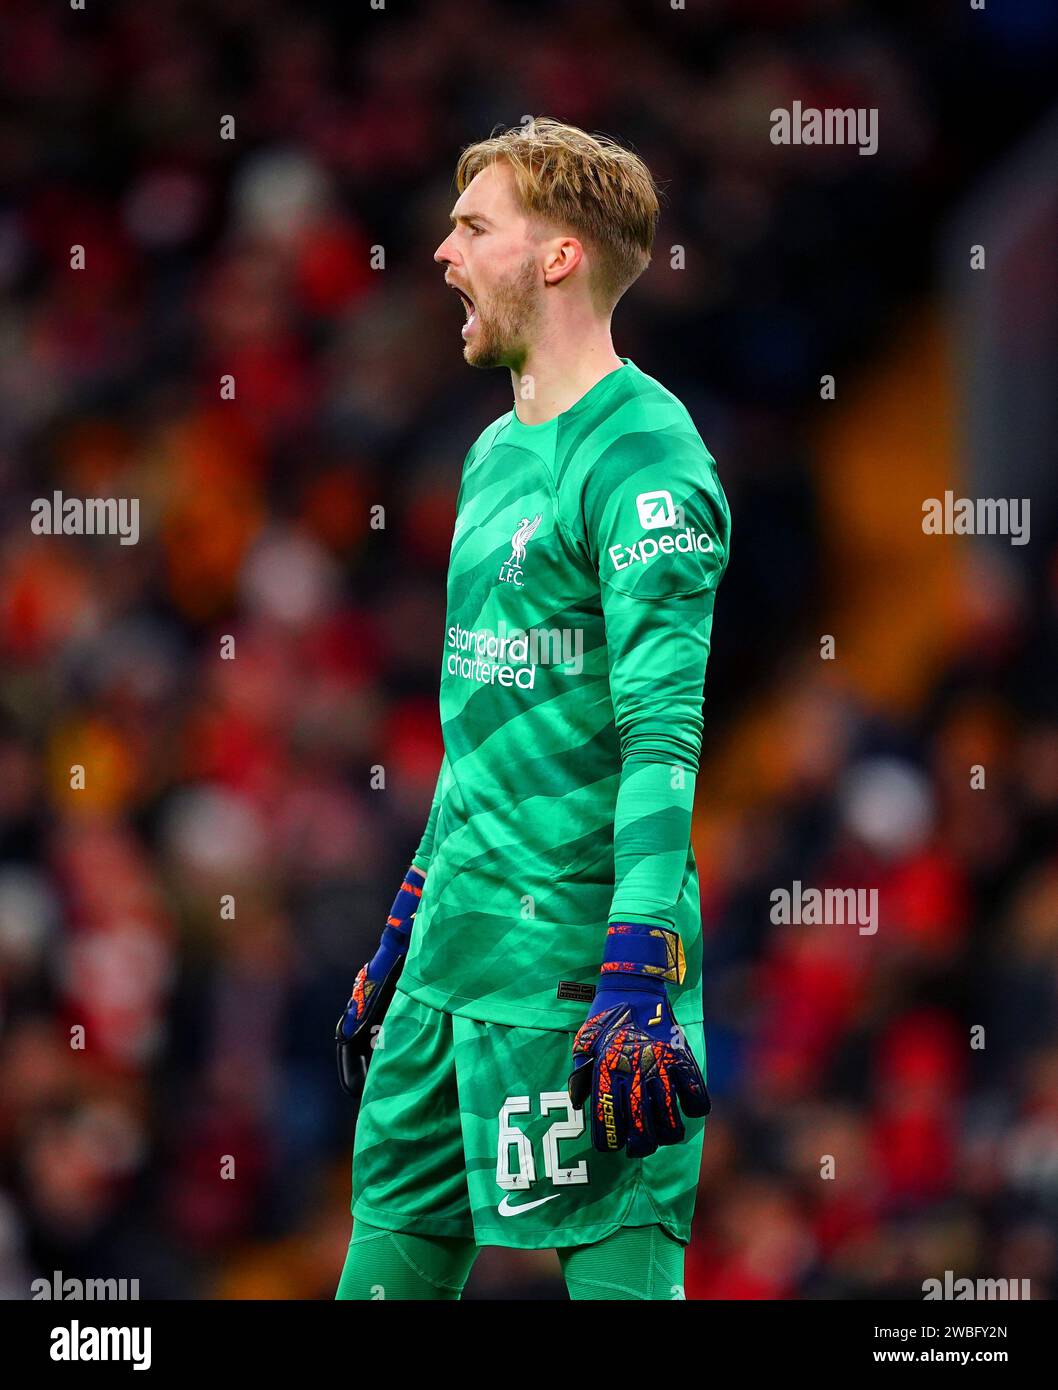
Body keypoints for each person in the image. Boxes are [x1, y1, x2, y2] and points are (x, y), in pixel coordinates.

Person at [335, 117, 730, 1301]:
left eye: (471, 227)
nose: (442, 252)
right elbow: (479, 734)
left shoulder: (648, 465)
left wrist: (636, 967)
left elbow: (662, 740)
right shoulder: (490, 454)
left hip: (574, 983)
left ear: (555, 256)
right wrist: (405, 922)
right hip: (445, 972)